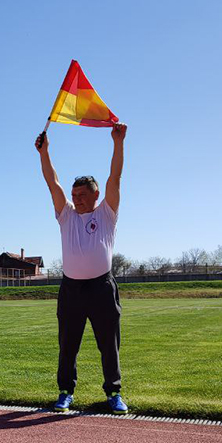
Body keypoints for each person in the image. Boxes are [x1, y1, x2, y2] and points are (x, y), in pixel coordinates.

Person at [35, 124, 130, 414]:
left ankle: (113, 393)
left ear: (95, 194)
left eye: (81, 194)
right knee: (68, 345)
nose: (76, 198)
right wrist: (44, 152)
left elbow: (116, 176)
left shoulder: (106, 213)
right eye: (74, 194)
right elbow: (53, 183)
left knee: (108, 345)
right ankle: (65, 392)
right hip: (71, 289)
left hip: (102, 287)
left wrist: (118, 142)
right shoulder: (66, 215)